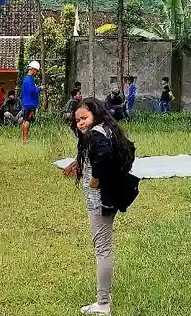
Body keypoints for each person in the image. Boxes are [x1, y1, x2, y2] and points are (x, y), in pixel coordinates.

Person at [63, 97, 140, 315]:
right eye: (77, 120)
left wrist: (95, 179)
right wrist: (77, 164)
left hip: (100, 201)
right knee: (102, 246)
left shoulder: (97, 133)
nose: (80, 123)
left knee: (102, 248)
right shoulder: (105, 129)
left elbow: (104, 155)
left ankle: (103, 303)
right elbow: (99, 153)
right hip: (106, 198)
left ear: (95, 114)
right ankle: (104, 296)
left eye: (84, 118)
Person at [20, 61, 42, 144]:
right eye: (36, 71)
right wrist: (40, 88)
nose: (36, 73)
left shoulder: (28, 79)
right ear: (32, 70)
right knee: (27, 121)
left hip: (27, 103)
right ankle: (25, 140)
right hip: (29, 103)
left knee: (25, 120)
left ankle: (24, 139)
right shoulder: (29, 79)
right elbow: (32, 90)